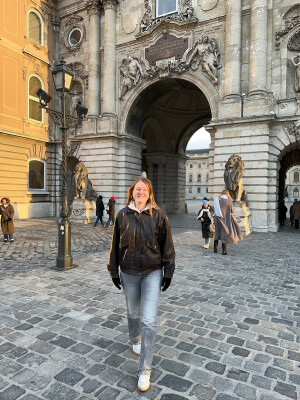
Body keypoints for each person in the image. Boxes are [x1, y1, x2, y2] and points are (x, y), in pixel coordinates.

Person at [107, 177, 175, 392]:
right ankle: (134, 338)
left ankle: (144, 369)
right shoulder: (122, 215)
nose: (140, 192)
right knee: (132, 311)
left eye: (144, 190)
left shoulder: (159, 216)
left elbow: (168, 246)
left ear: (149, 193)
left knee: (149, 320)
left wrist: (168, 272)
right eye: (137, 189)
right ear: (132, 192)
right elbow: (114, 246)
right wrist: (113, 270)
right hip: (128, 272)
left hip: (152, 272)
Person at [213, 190, 243, 254]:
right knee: (224, 234)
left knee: (217, 233)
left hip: (218, 219)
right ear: (227, 194)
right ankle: (224, 250)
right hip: (226, 220)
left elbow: (215, 209)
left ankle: (215, 248)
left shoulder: (218, 201)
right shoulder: (229, 201)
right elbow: (232, 211)